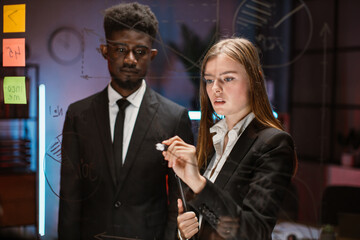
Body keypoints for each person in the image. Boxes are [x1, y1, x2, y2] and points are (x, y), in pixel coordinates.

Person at [58, 2, 193, 239]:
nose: (130, 60)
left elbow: (179, 199)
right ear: (105, 51)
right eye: (120, 49)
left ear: (151, 56)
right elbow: (70, 195)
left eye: (139, 52)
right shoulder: (78, 115)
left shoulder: (174, 117)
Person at [162, 37, 297, 240]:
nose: (215, 88)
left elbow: (254, 232)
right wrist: (184, 231)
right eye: (209, 80)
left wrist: (198, 183)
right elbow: (206, 220)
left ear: (254, 79)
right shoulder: (211, 140)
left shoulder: (273, 144)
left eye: (227, 79)